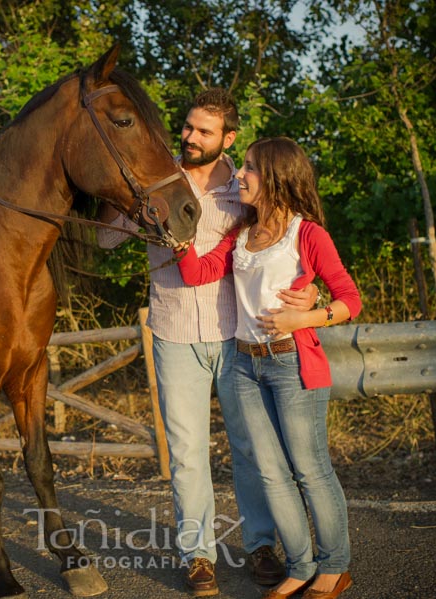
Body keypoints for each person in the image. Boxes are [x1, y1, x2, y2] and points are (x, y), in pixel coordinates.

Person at [97, 90, 317, 596]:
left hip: (236, 334)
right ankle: (198, 555)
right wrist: (123, 196)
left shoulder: (246, 188)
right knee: (188, 451)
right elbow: (107, 241)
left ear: (228, 139)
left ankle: (261, 545)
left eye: (204, 131)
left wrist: (309, 290)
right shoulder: (156, 177)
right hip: (173, 333)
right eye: (189, 127)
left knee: (250, 447)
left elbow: (289, 240)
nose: (191, 137)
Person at [176, 136, 361, 599]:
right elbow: (196, 273)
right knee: (271, 473)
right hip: (243, 366)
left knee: (310, 470)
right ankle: (299, 566)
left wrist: (306, 316)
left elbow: (350, 299)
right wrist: (175, 236)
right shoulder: (240, 236)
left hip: (292, 365)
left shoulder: (307, 234)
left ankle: (334, 566)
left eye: (251, 168)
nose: (240, 174)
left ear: (277, 177)